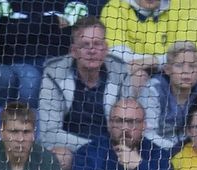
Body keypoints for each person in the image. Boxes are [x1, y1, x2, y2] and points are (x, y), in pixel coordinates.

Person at [39, 17, 136, 154]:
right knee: (61, 156)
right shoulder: (54, 74)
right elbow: (48, 134)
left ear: (106, 48)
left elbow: (128, 125)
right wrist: (93, 148)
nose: (92, 50)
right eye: (85, 45)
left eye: (97, 44)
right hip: (72, 149)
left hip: (113, 151)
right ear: (73, 51)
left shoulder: (120, 72)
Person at [70, 98, 173, 170]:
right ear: (109, 124)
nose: (125, 128)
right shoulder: (87, 154)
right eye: (119, 121)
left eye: (132, 122)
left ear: (144, 126)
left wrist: (139, 166)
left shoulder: (160, 156)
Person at [139, 41, 197, 151]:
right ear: (167, 69)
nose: (186, 71)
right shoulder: (153, 89)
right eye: (179, 65)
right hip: (160, 151)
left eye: (192, 66)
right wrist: (177, 149)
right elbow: (148, 133)